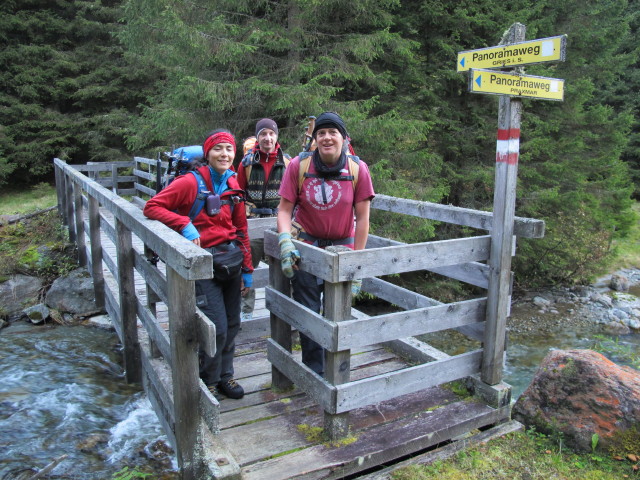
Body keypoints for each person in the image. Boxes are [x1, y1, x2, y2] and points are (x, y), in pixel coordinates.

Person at [143, 129, 252, 399]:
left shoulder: (233, 185)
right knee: (217, 326)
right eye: (218, 149)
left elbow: (241, 229)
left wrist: (248, 270)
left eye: (229, 149)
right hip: (202, 264)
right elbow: (152, 207)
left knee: (233, 323)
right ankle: (209, 379)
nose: (224, 154)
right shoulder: (189, 183)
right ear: (208, 153)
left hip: (231, 262)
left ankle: (226, 376)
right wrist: (185, 225)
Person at [276, 112, 375, 375]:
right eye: (321, 133)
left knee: (337, 316)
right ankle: (315, 371)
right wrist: (285, 241)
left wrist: (358, 263)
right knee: (309, 313)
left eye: (333, 132)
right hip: (306, 250)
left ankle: (337, 369)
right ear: (316, 138)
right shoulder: (299, 166)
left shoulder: (357, 169)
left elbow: (363, 218)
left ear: (344, 138)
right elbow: (284, 210)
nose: (327, 137)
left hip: (342, 252)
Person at [236, 118, 290, 322]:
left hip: (279, 222)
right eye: (263, 134)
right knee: (247, 265)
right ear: (258, 137)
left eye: (271, 133)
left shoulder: (288, 162)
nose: (267, 138)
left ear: (276, 136)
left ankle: (282, 310)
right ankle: (247, 311)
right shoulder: (247, 162)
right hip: (253, 221)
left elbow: (295, 193)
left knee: (283, 268)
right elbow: (239, 193)